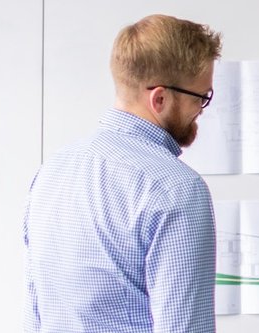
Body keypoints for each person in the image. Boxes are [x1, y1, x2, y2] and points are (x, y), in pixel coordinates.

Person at [23, 14, 222, 333]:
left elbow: (36, 313)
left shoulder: (51, 172)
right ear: (160, 98)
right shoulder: (176, 187)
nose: (201, 110)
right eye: (201, 97)